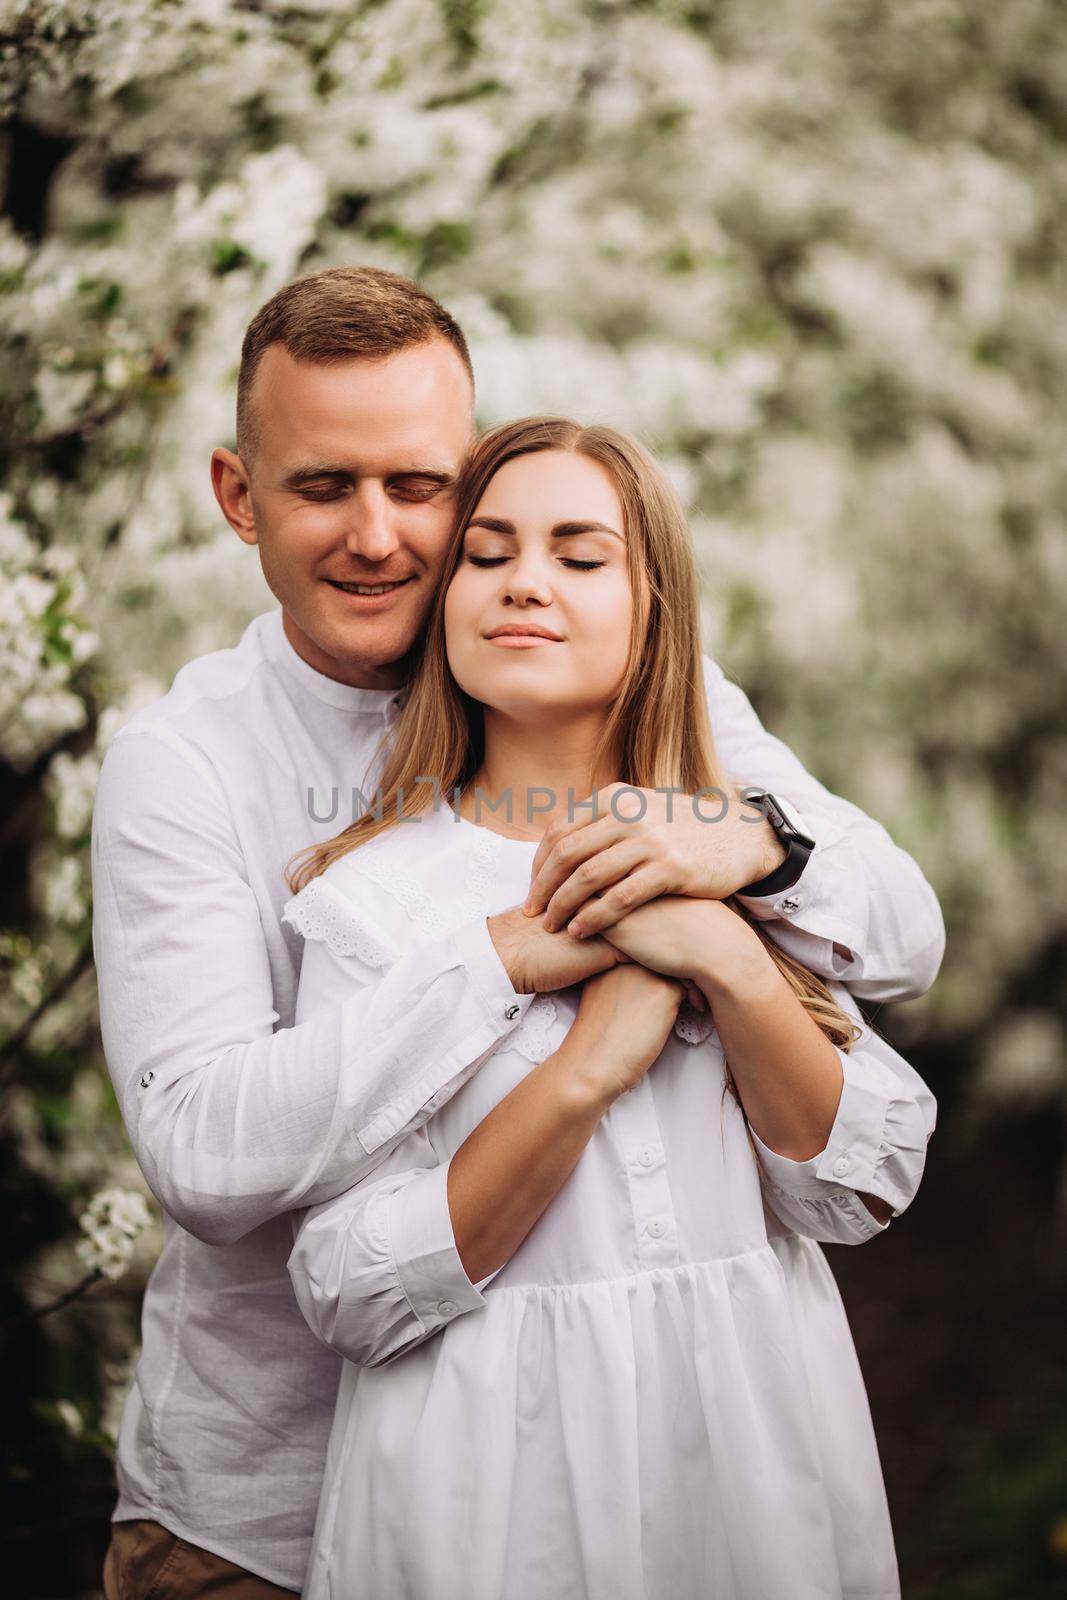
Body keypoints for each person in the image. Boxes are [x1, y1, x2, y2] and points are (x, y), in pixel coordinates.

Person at [91, 269, 944, 1598]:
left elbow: (894, 938)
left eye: (421, 487)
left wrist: (752, 851)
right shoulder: (189, 765)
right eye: (323, 486)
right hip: (264, 1503)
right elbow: (200, 1154)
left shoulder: (641, 708)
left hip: (658, 1478)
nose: (378, 538)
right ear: (236, 497)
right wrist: (506, 962)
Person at [281, 416, 936, 1600]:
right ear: (444, 605)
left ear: (653, 610)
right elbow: (349, 1287)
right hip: (484, 1480)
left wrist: (729, 965)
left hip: (745, 1448)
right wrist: (585, 1072)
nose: (525, 581)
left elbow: (853, 1186)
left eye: (580, 557)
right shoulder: (369, 901)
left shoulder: (728, 852)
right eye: (485, 553)